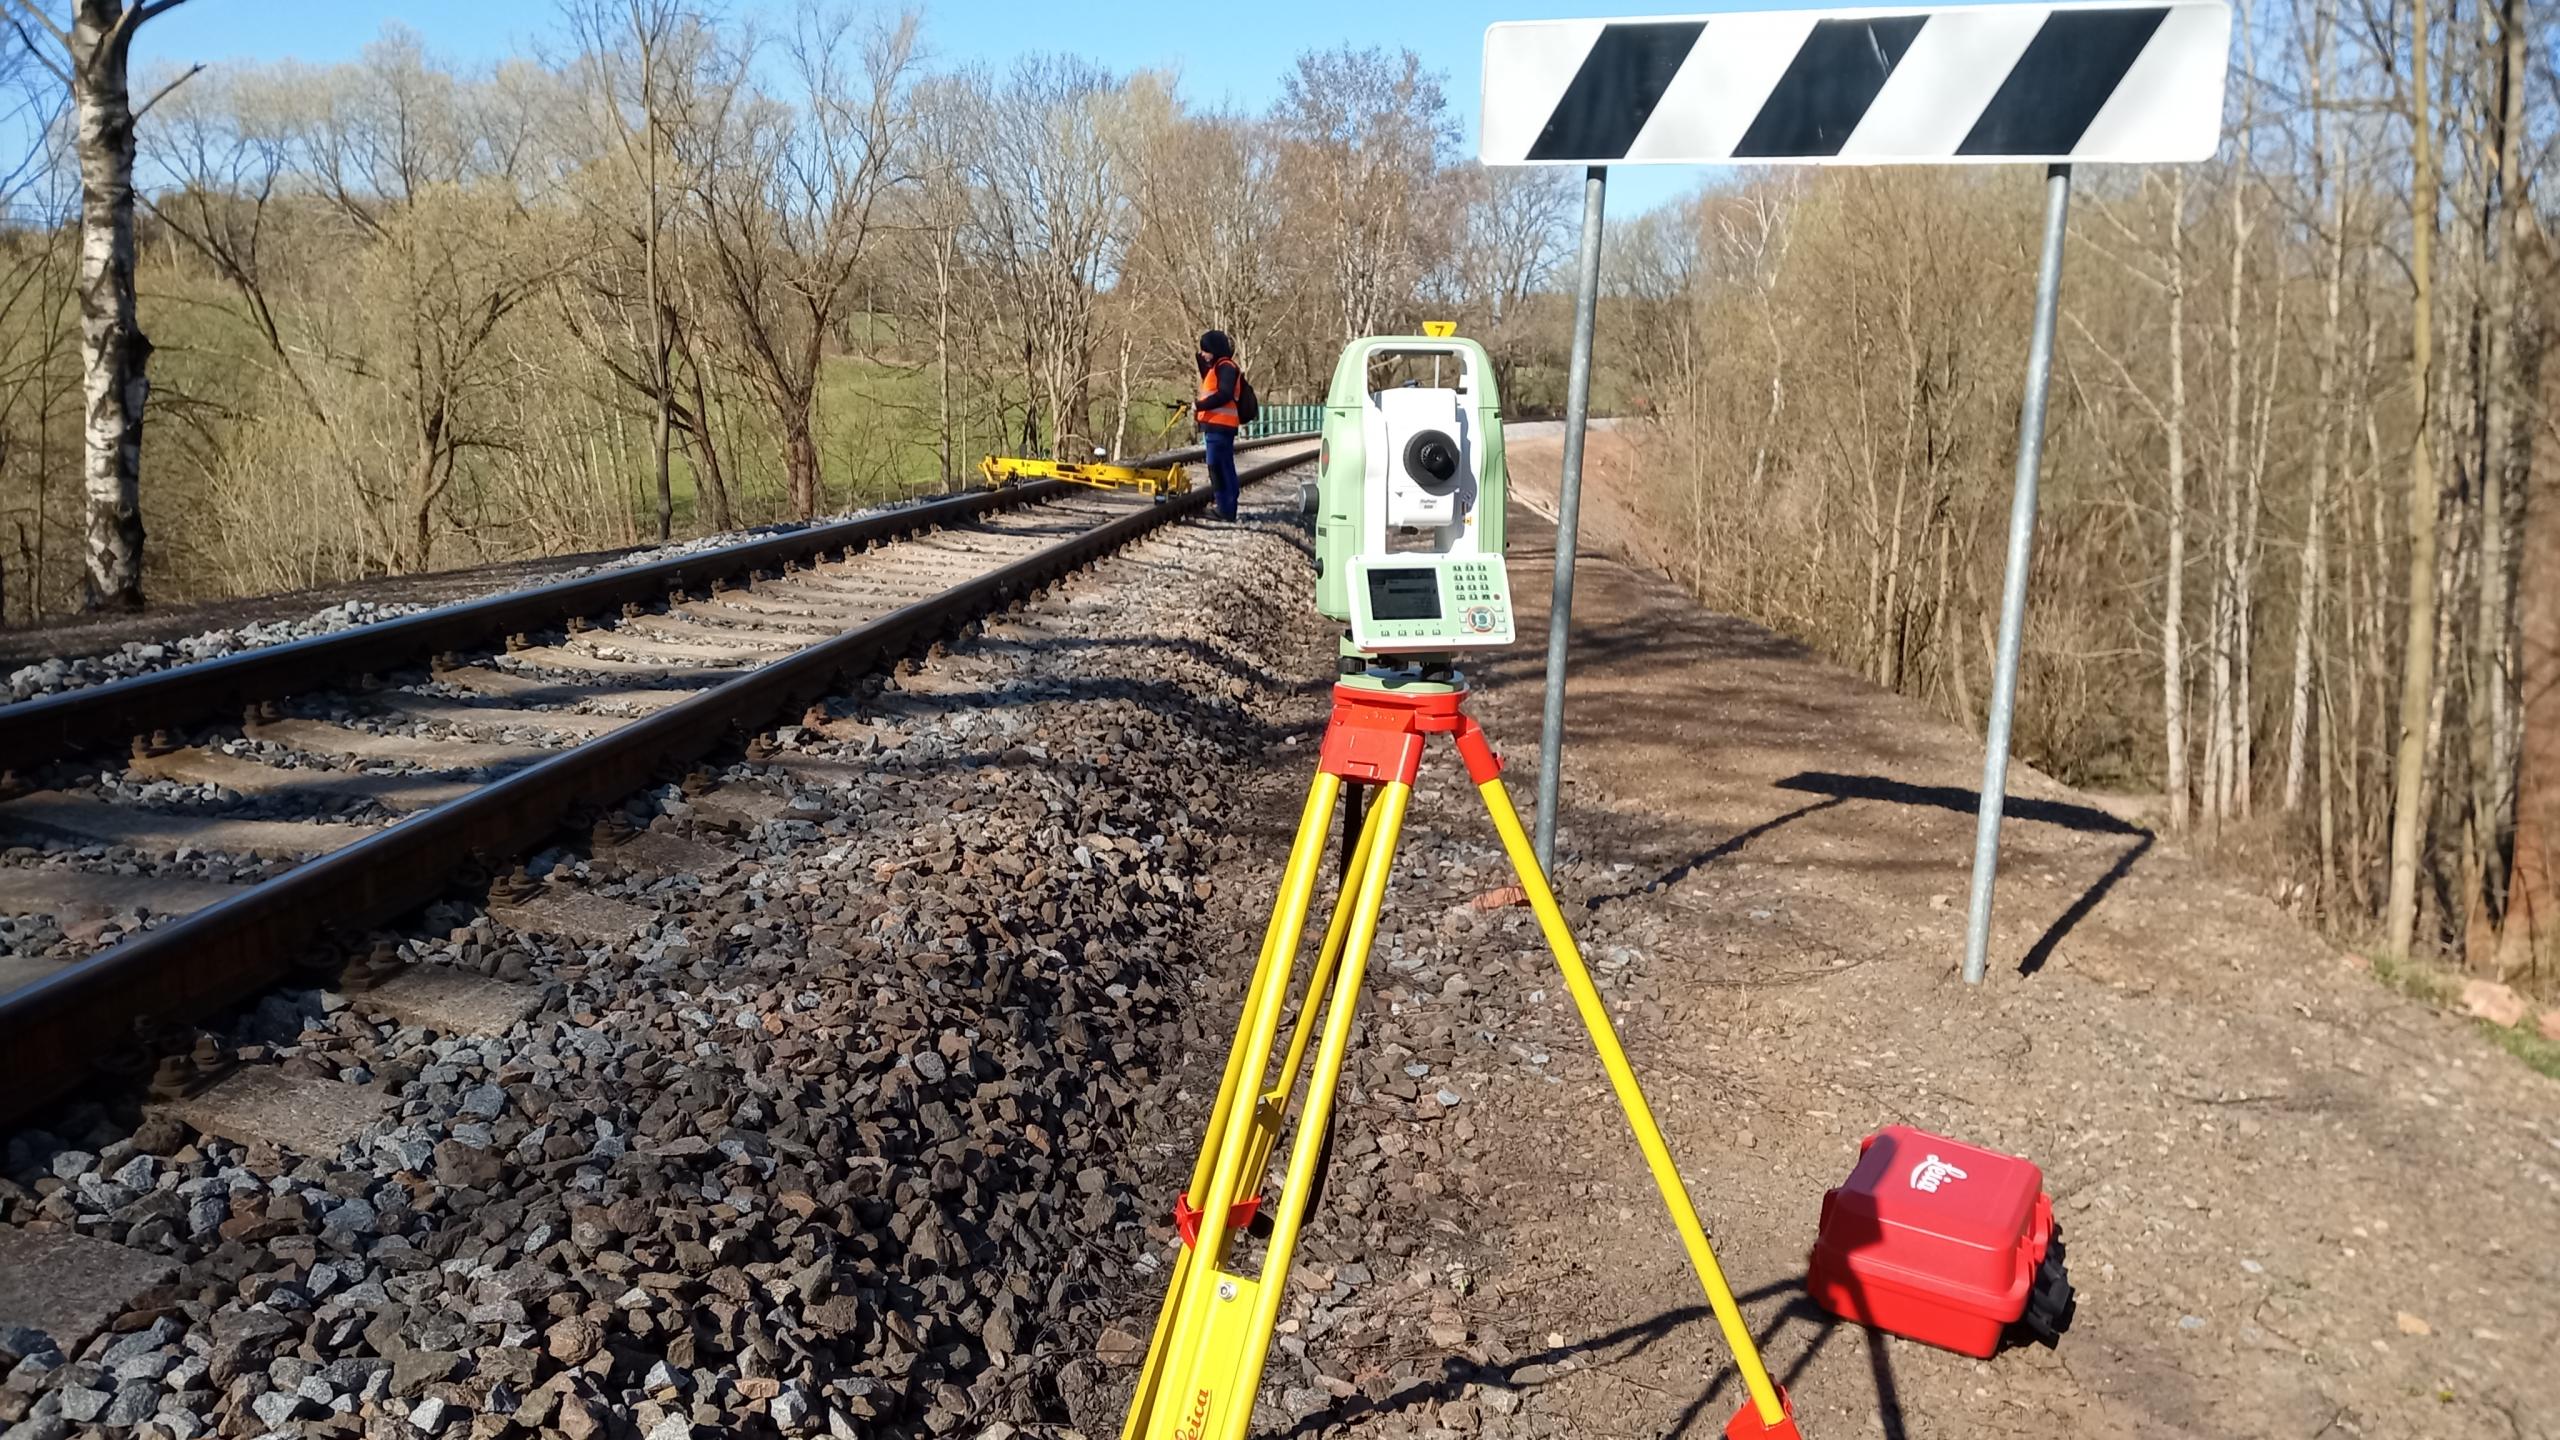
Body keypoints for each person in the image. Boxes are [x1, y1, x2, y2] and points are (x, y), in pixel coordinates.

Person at [1193, 329, 1243, 521]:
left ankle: (1224, 508)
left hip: (1220, 426)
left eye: (1206, 350)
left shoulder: (1226, 367)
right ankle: (1227, 508)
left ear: (1214, 350)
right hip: (1217, 426)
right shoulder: (1219, 367)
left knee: (1217, 467)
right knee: (1224, 466)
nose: (1203, 354)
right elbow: (1209, 379)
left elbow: (1224, 394)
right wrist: (1202, 360)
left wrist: (1199, 405)